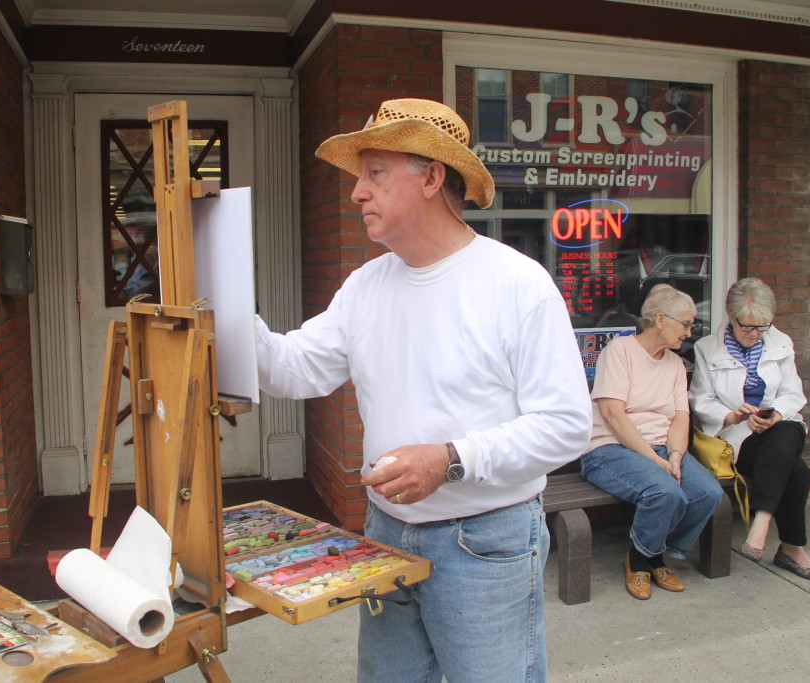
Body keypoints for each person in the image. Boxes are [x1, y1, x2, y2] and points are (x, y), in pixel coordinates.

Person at [254, 98, 592, 682]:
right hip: (386, 531)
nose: (358, 191)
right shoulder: (366, 283)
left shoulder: (516, 283)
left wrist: (450, 460)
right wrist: (225, 312)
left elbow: (566, 424)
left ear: (432, 177)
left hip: (485, 541)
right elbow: (296, 368)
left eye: (375, 173)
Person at [579, 284, 723, 600]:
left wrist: (674, 454)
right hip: (610, 448)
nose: (690, 331)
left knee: (707, 493)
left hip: (660, 447)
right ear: (660, 319)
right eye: (686, 323)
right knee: (665, 491)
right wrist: (655, 460)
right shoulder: (620, 351)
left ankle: (656, 552)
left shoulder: (674, 364)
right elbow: (613, 415)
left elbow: (680, 419)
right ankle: (640, 559)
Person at [689, 277, 810, 581]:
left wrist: (776, 414)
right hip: (739, 437)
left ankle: (760, 523)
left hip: (781, 428)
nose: (755, 334)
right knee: (797, 470)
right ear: (731, 316)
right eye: (747, 327)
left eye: (762, 326)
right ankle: (791, 548)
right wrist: (733, 415)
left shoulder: (780, 343)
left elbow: (794, 394)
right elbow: (700, 400)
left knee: (785, 433)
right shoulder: (706, 348)